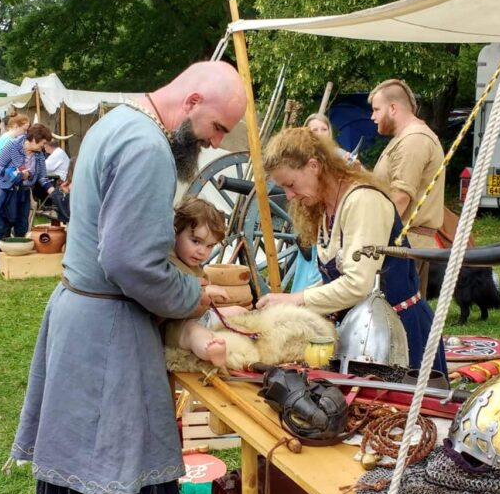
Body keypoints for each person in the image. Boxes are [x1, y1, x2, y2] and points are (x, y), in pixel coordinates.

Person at [8, 60, 246, 494]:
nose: (217, 143)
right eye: (218, 128)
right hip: (108, 330)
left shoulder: (117, 124)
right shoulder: (147, 147)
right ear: (192, 99)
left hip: (82, 318)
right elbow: (131, 262)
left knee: (93, 468)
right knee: (125, 475)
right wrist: (194, 298)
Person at [257, 126, 438, 370]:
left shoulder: (363, 201)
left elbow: (357, 284)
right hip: (362, 337)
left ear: (314, 166)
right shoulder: (324, 209)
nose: (289, 196)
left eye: (291, 184)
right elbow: (337, 275)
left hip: (397, 338)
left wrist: (296, 299)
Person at [368, 78, 449, 248]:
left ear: (393, 108)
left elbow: (400, 197)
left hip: (407, 244)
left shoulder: (414, 140)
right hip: (403, 242)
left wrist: (369, 234)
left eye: (376, 110)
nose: (372, 116)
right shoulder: (405, 138)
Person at [166, 198, 231, 369]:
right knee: (193, 332)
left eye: (210, 246)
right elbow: (170, 293)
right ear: (176, 232)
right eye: (195, 241)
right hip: (175, 326)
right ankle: (210, 350)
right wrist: (203, 291)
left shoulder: (193, 265)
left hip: (201, 315)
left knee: (238, 311)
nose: (202, 251)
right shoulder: (168, 264)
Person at [0, 124, 45, 272]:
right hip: (4, 190)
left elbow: (43, 177)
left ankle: (16, 256)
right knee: (1, 225)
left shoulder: (39, 155)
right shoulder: (12, 145)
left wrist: (54, 193)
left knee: (21, 224)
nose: (44, 146)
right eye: (42, 142)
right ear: (34, 140)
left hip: (23, 191)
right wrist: (16, 174)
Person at [28, 124, 70, 223]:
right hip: (53, 179)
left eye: (44, 145)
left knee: (37, 184)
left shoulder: (57, 153)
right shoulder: (56, 153)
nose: (43, 148)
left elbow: (44, 168)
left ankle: (40, 206)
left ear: (46, 145)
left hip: (59, 181)